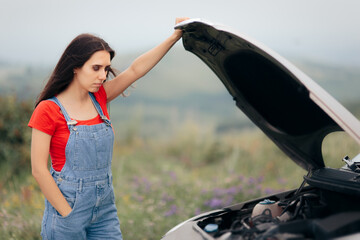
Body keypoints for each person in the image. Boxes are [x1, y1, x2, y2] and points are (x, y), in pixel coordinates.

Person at [28, 17, 189, 239]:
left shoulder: (100, 98)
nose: (103, 76)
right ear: (75, 67)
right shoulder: (48, 110)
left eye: (106, 68)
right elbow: (38, 169)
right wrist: (68, 215)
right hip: (67, 214)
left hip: (104, 211)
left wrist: (175, 36)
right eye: (96, 68)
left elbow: (135, 69)